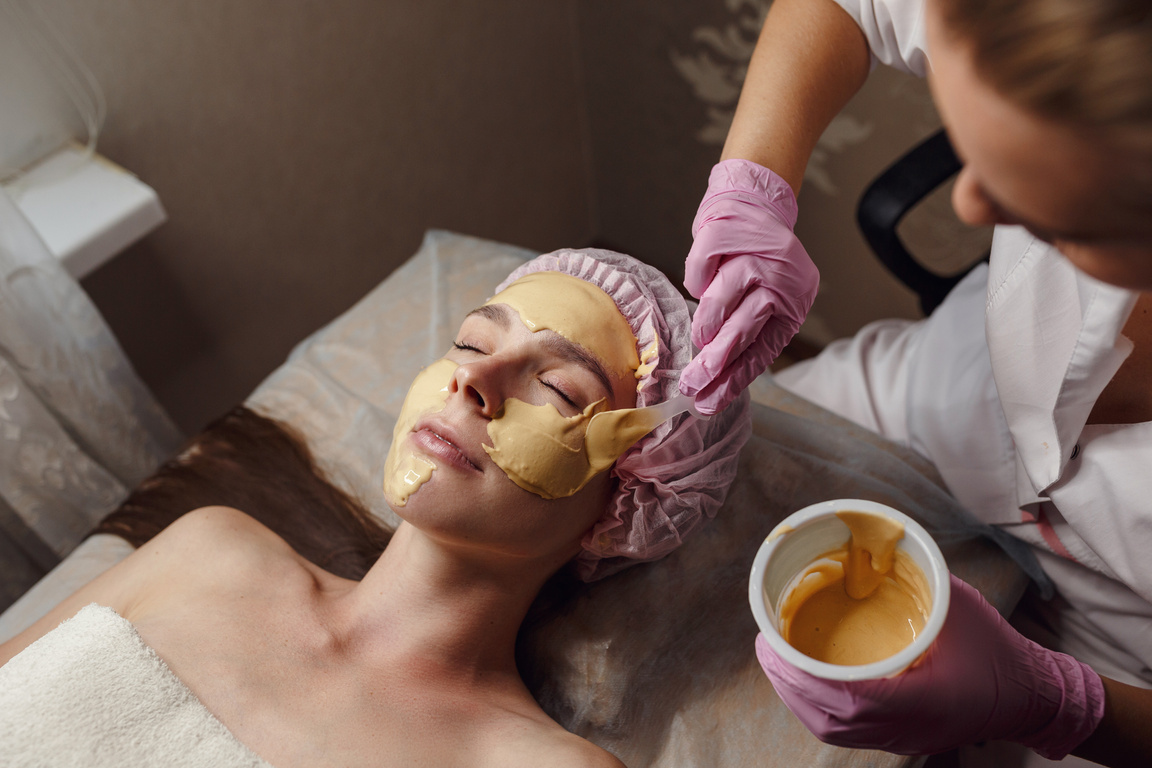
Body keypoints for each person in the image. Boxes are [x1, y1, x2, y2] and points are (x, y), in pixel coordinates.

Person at [0, 248, 750, 767]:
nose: (475, 379)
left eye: (557, 390)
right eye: (471, 341)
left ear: (623, 505)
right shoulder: (210, 548)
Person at [678, 0, 1152, 765]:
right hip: (951, 391)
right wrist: (753, 183)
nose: (969, 205)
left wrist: (1058, 703)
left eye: (1052, 211)